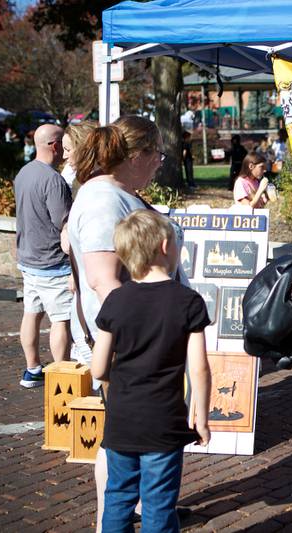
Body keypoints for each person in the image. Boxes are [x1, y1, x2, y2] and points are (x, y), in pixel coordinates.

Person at [68, 115, 165, 533]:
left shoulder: (115, 194)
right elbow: (103, 281)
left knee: (126, 436)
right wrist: (143, 337)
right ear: (137, 155)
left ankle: (126, 513)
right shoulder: (105, 200)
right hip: (127, 342)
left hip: (131, 338)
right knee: (124, 440)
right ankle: (113, 521)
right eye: (157, 154)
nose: (161, 162)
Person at [91, 209, 211, 532]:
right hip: (164, 422)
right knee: (158, 504)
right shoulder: (189, 302)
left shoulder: (115, 300)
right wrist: (201, 416)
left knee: (118, 498)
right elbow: (198, 368)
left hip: (122, 421)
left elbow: (99, 367)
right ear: (163, 246)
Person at [14, 124, 72, 388]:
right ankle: (61, 379)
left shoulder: (24, 173)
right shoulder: (53, 180)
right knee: (60, 320)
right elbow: (65, 223)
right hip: (52, 263)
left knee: (32, 314)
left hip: (28, 259)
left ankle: (32, 369)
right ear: (55, 146)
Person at [61, 121, 98, 190]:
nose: (64, 156)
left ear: (84, 149)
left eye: (67, 150)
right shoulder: (68, 172)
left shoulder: (101, 179)